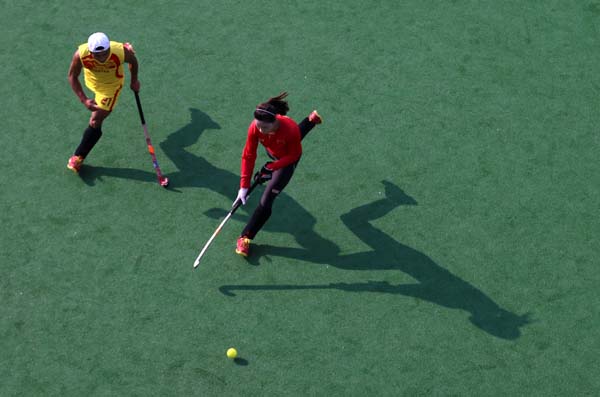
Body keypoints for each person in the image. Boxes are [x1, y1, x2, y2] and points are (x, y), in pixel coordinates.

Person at [234, 92, 322, 257]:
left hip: (287, 160)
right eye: (258, 126)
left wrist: (273, 167)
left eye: (265, 127)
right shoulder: (255, 127)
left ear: (276, 120)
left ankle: (245, 237)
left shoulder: (289, 129)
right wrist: (244, 187)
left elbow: (294, 154)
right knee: (283, 142)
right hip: (274, 150)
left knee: (267, 199)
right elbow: (248, 155)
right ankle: (311, 120)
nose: (260, 130)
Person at [66, 32, 140, 172]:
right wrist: (84, 100)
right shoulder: (81, 54)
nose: (101, 58)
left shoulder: (118, 52)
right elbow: (72, 76)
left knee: (95, 120)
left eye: (105, 53)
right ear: (90, 51)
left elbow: (133, 61)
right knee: (95, 118)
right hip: (92, 82)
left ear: (109, 49)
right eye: (97, 55)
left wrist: (134, 80)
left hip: (110, 88)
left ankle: (78, 157)